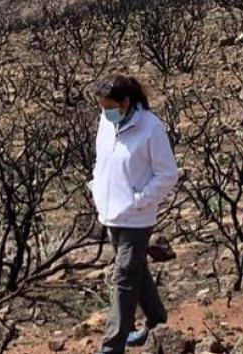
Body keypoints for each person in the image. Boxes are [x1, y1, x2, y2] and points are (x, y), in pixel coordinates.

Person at [90, 76, 179, 353]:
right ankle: (157, 319)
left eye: (109, 106)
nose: (105, 112)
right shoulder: (106, 122)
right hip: (110, 213)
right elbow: (102, 160)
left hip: (137, 218)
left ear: (126, 102)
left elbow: (167, 174)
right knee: (134, 270)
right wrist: (96, 187)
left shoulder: (151, 128)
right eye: (102, 106)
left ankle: (112, 345)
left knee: (124, 277)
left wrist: (140, 200)